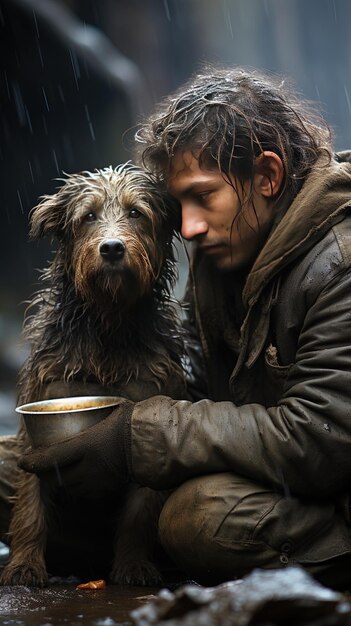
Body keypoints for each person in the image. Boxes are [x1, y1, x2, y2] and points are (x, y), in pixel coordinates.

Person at [8, 67, 351, 588]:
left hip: (327, 498)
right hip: (264, 471)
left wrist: (133, 436)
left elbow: (317, 442)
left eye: (202, 196)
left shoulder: (339, 267)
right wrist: (88, 419)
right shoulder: (227, 247)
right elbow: (187, 382)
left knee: (197, 519)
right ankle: (115, 548)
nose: (185, 227)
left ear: (268, 176)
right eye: (178, 204)